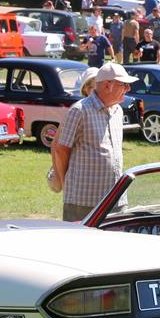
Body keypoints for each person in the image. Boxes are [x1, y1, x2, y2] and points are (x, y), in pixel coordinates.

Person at [49, 62, 136, 220]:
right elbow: (60, 149)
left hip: (116, 198)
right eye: (124, 84)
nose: (128, 89)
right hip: (84, 201)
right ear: (107, 85)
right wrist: (65, 182)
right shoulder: (79, 110)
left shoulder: (117, 110)